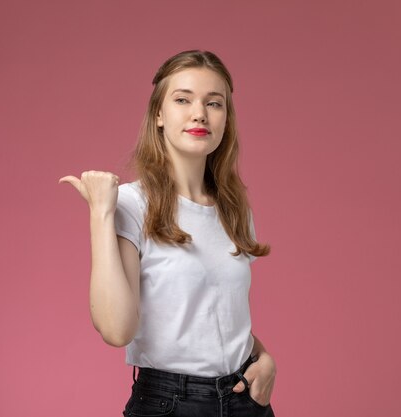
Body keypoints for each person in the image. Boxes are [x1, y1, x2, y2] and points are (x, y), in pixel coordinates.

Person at [59, 50, 276, 417]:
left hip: (244, 400)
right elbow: (116, 329)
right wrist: (101, 214)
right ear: (158, 114)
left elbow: (213, 316)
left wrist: (264, 357)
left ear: (226, 119)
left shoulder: (235, 208)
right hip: (170, 403)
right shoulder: (130, 203)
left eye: (214, 103)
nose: (199, 113)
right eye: (182, 99)